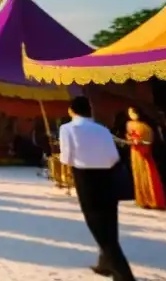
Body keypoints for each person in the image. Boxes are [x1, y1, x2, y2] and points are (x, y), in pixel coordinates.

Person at [59, 96, 136, 281]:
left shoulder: (67, 128)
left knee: (97, 226)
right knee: (109, 221)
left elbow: (66, 158)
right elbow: (113, 156)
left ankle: (124, 275)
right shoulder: (102, 129)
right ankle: (104, 264)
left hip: (86, 177)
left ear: (71, 110)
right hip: (108, 176)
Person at [125, 107, 166, 209]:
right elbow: (128, 135)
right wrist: (130, 139)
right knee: (137, 173)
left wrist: (140, 142)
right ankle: (143, 199)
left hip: (144, 151)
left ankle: (153, 199)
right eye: (130, 112)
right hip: (134, 151)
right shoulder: (129, 124)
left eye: (134, 112)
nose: (133, 114)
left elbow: (150, 140)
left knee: (147, 173)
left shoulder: (146, 126)